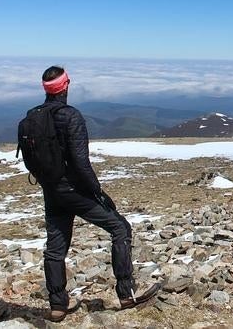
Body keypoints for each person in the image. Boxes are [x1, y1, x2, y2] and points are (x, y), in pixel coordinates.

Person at [37, 66, 159, 322]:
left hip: (51, 191)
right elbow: (81, 163)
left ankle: (58, 306)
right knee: (120, 228)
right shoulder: (71, 117)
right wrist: (97, 192)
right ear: (65, 85)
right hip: (76, 192)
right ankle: (127, 293)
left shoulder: (33, 118)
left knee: (55, 248)